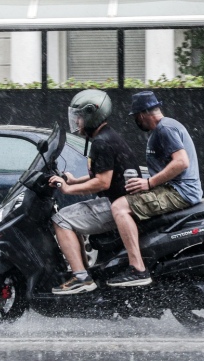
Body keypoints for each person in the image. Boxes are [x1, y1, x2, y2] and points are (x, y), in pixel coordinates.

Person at [106, 91, 203, 287]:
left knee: (119, 207)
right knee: (128, 200)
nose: (135, 121)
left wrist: (149, 184)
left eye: (135, 117)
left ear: (141, 115)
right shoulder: (165, 127)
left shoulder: (164, 130)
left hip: (179, 191)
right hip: (175, 188)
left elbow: (181, 162)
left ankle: (137, 269)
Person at [48, 89, 139, 295]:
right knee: (69, 218)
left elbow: (103, 183)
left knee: (60, 220)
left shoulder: (102, 142)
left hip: (116, 204)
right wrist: (74, 179)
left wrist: (69, 189)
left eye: (79, 117)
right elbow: (104, 174)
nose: (76, 122)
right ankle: (84, 272)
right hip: (119, 200)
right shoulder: (106, 137)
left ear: (91, 115)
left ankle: (81, 277)